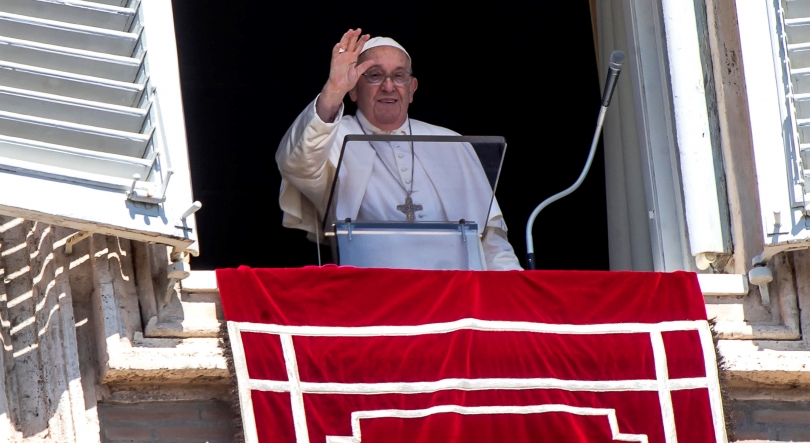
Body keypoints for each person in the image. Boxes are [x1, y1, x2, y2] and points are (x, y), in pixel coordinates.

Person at [276, 29, 521, 270]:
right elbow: (297, 164)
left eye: (399, 76)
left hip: (459, 301)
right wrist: (332, 92)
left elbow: (492, 243)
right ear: (352, 89)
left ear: (412, 88)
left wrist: (515, 298)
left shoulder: (451, 142)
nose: (389, 86)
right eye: (374, 75)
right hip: (373, 298)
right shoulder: (334, 136)